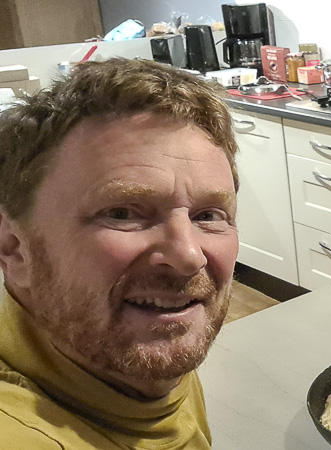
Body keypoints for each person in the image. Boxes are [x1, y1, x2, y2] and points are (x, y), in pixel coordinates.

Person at [0, 58, 239, 448]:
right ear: (14, 247)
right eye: (122, 213)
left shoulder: (128, 347)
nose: (188, 255)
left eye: (208, 215)